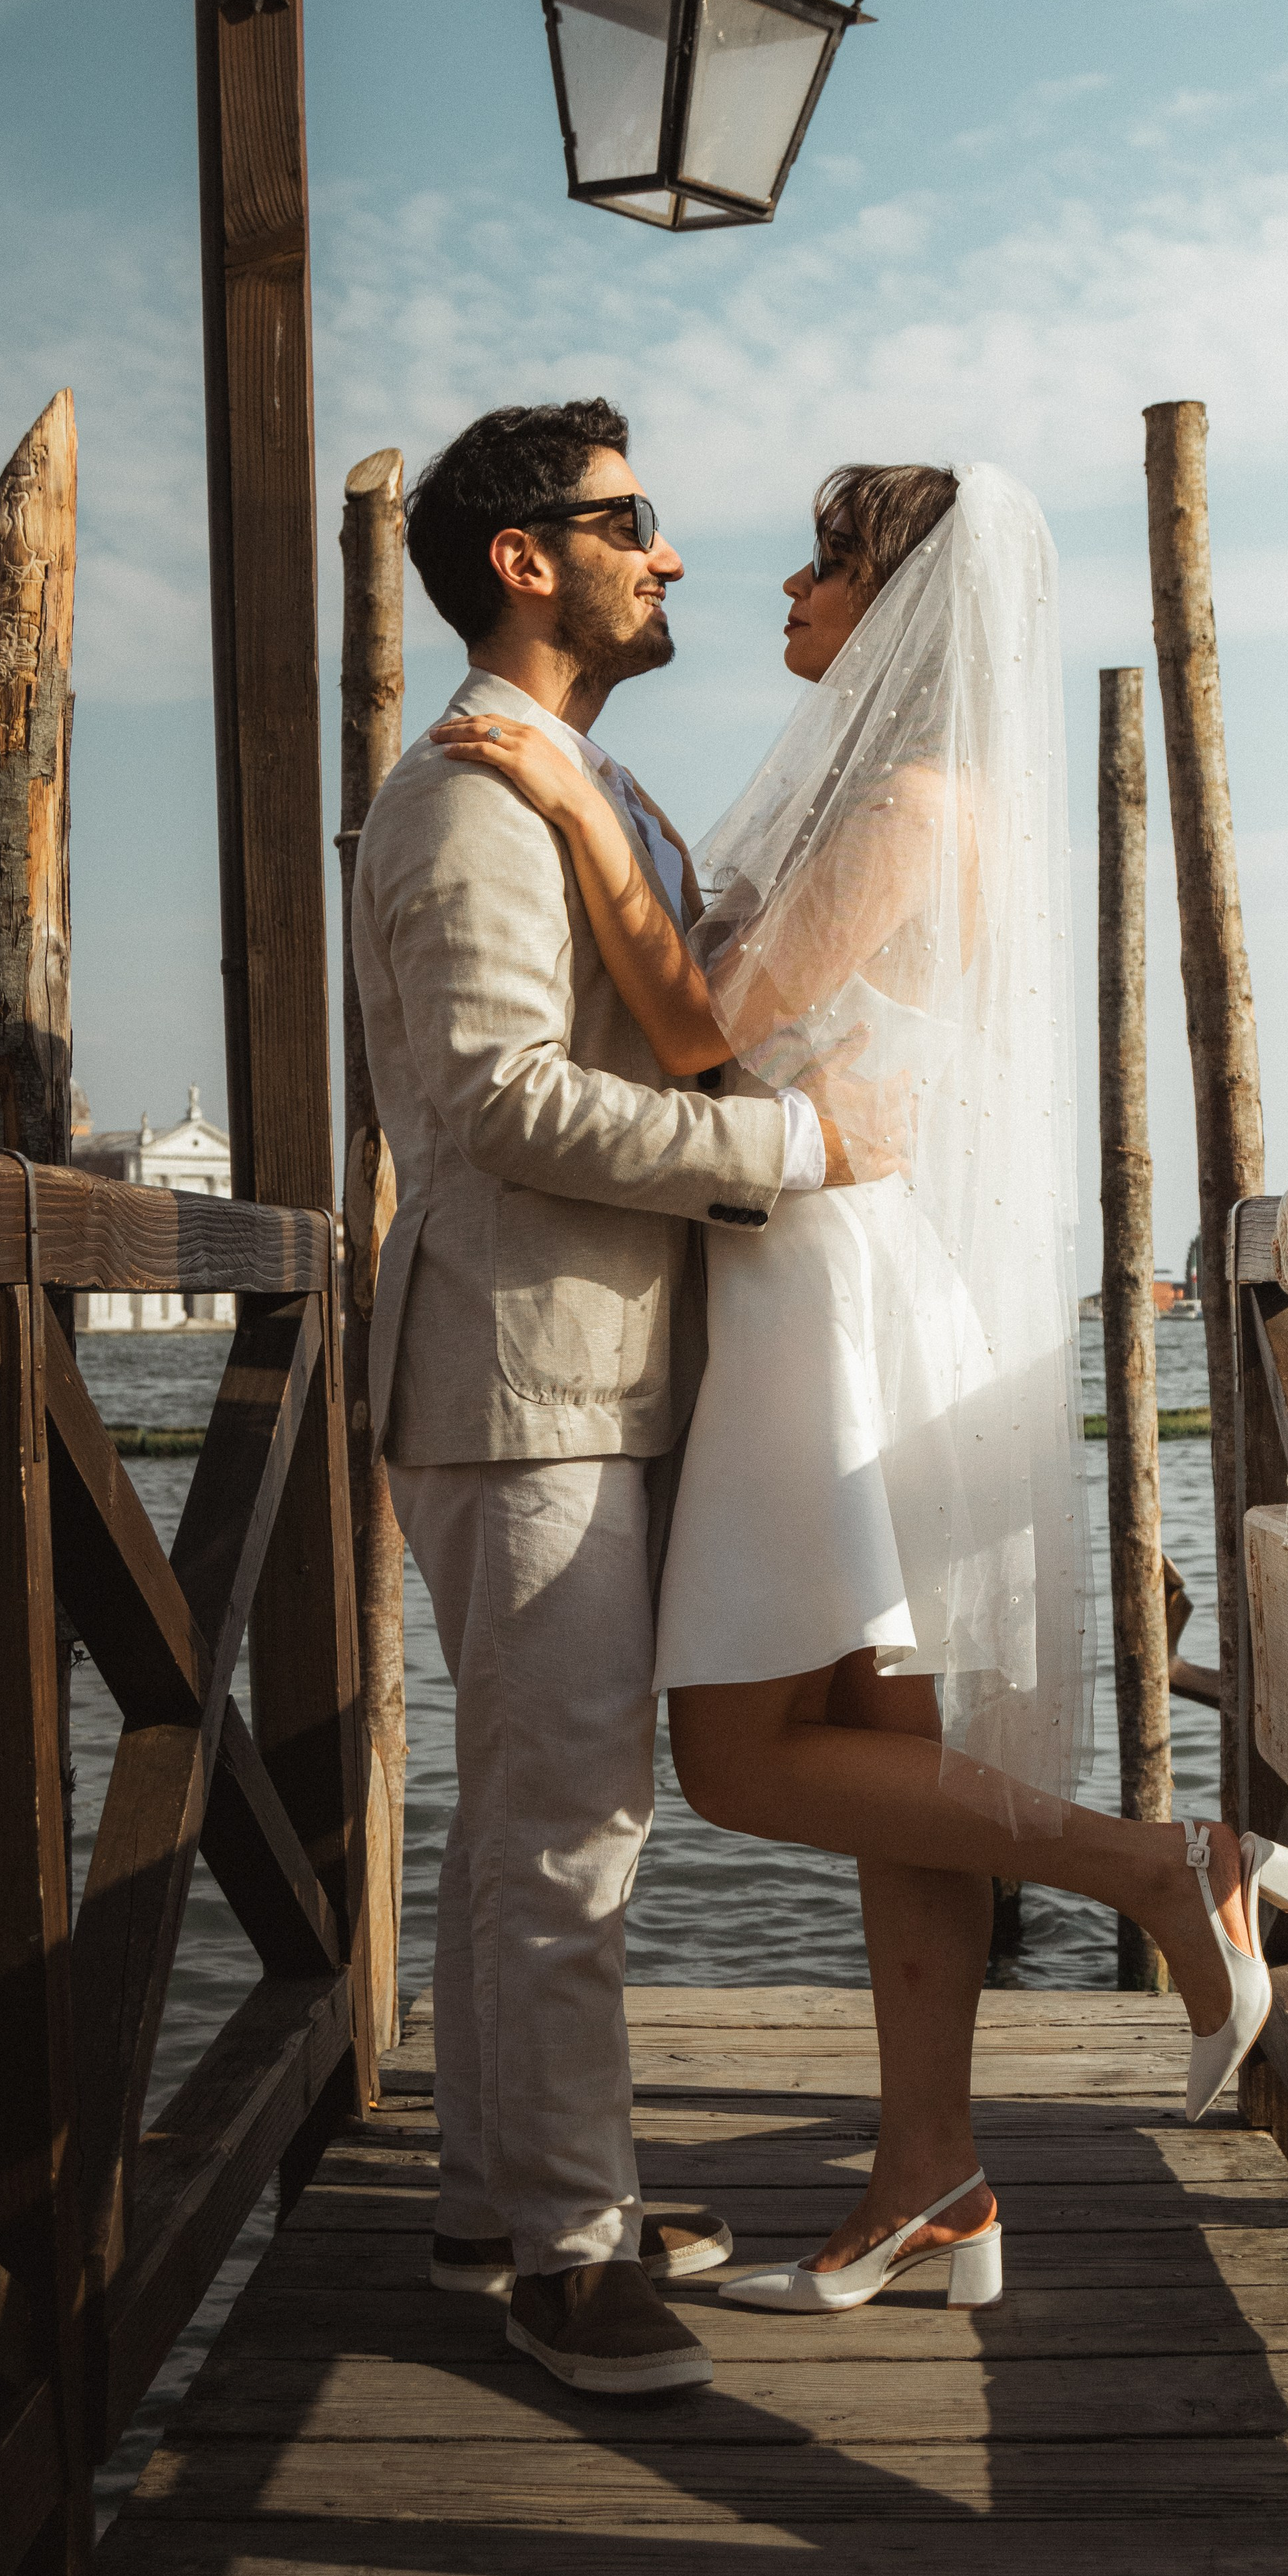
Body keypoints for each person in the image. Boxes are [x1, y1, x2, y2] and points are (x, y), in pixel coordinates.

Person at [442, 455, 1288, 2318]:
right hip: (849, 1266)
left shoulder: (916, 800)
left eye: (825, 565)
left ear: (902, 605)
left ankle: (1167, 1868)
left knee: (742, 1756)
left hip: (814, 1288)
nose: (784, 589)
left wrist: (576, 815)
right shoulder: (913, 790)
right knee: (895, 1766)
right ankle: (933, 2174)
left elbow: (705, 1026)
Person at [353, 400, 862, 2397]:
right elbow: (491, 1099)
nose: (668, 555)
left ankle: (505, 2189)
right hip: (522, 1373)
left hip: (596, 1374)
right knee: (570, 1831)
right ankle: (572, 2255)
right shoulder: (471, 795)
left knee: (531, 1822)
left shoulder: (589, 782)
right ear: (521, 557)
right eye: (630, 522)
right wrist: (793, 1155)